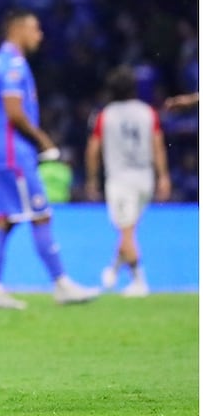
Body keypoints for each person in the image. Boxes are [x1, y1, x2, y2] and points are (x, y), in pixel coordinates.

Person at [0, 9, 99, 309]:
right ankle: (62, 283)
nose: (39, 35)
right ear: (18, 30)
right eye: (35, 29)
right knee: (41, 213)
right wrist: (44, 141)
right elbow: (15, 112)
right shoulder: (13, 65)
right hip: (12, 153)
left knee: (4, 220)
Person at [85, 66, 171, 297]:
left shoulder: (106, 115)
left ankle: (139, 281)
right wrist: (163, 176)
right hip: (145, 178)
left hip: (120, 180)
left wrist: (92, 178)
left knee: (126, 232)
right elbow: (158, 145)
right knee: (129, 229)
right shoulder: (147, 112)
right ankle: (113, 269)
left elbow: (93, 148)